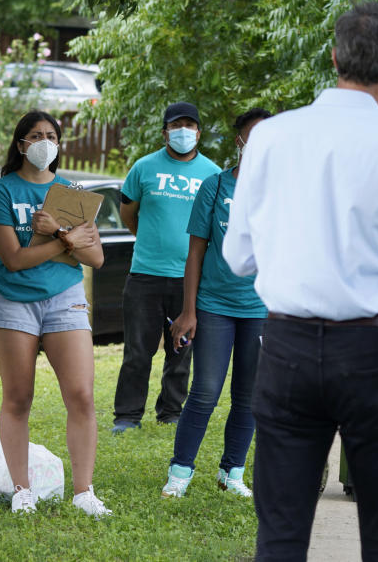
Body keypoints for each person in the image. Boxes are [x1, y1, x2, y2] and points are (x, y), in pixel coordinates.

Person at [223, 2, 378, 561]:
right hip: (372, 347)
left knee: (279, 536)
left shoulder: (271, 138)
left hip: (287, 347)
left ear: (334, 57)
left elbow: (238, 258)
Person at [0, 110, 111, 517]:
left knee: (82, 395)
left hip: (64, 298)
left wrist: (58, 232)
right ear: (20, 144)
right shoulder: (2, 192)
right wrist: (65, 241)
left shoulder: (70, 191)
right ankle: (22, 490)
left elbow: (96, 257)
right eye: (35, 135)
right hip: (14, 299)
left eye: (51, 135)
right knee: (18, 398)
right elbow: (15, 259)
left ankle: (84, 492)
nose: (43, 142)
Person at [165, 108, 271, 499]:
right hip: (214, 305)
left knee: (250, 395)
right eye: (252, 137)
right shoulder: (214, 186)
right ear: (239, 142)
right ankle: (180, 472)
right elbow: (195, 252)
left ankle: (232, 472)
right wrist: (188, 310)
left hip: (261, 310)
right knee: (206, 390)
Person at [112, 102, 221, 434]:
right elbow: (128, 213)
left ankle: (171, 412)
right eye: (177, 126)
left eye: (190, 125)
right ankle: (127, 416)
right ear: (165, 132)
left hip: (190, 279)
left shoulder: (213, 174)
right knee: (137, 352)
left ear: (199, 132)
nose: (183, 132)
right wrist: (150, 239)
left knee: (181, 352)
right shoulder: (144, 168)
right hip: (145, 275)